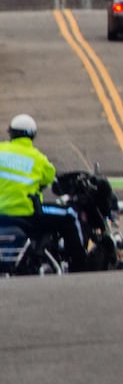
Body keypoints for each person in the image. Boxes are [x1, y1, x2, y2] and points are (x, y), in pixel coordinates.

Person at [0, 115, 86, 270]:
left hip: (2, 213)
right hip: (25, 211)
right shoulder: (38, 158)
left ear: (11, 133)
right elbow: (49, 179)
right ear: (32, 135)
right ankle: (80, 266)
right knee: (70, 215)